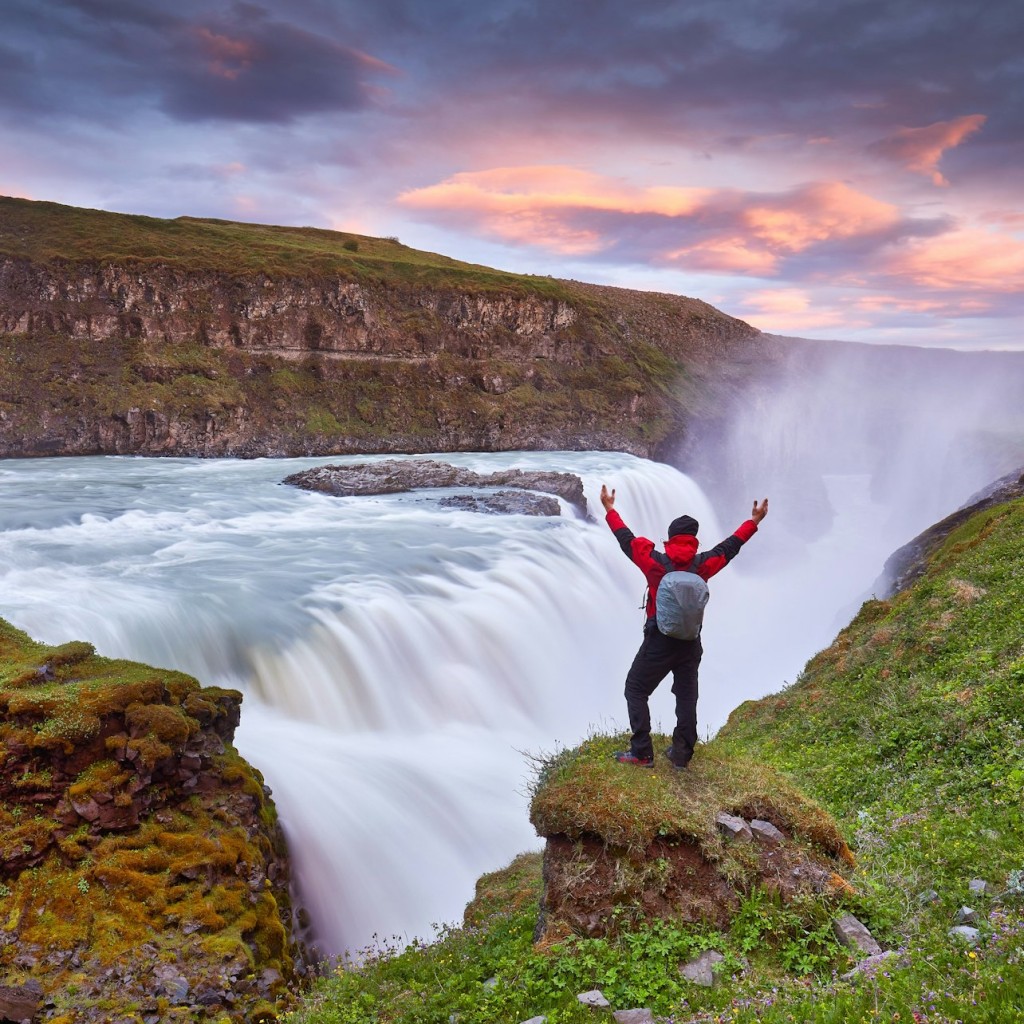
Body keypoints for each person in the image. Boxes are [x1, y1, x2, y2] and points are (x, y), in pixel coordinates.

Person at [600, 484, 768, 769]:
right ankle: (681, 755)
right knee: (687, 695)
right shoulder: (703, 565)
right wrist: (753, 522)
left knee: (636, 688)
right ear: (693, 541)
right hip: (690, 641)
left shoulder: (654, 562)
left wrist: (609, 509)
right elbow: (730, 547)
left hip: (659, 640)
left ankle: (642, 752)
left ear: (669, 538)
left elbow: (625, 539)